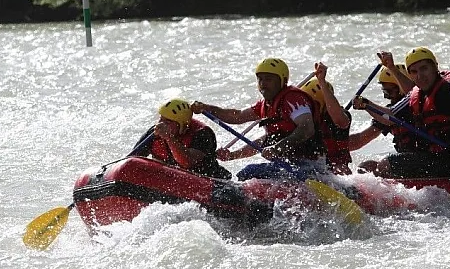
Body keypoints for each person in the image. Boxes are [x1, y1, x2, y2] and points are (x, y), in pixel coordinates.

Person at [354, 47, 450, 178]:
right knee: (367, 167)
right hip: (431, 158)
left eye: (424, 68)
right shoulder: (416, 94)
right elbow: (390, 116)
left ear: (435, 67)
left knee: (386, 164)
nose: (420, 75)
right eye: (414, 72)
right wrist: (366, 104)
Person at [190, 58, 325, 181]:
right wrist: (207, 108)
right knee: (248, 174)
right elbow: (237, 116)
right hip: (287, 167)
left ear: (282, 81)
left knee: (248, 173)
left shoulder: (293, 99)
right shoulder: (265, 105)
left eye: (268, 79)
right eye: (260, 79)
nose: (263, 84)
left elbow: (307, 129)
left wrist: (277, 148)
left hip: (309, 167)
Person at [132, 98, 232, 179]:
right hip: (168, 182)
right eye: (161, 118)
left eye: (168, 121)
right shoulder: (154, 132)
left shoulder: (202, 133)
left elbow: (187, 162)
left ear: (182, 125)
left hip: (208, 179)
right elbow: (132, 159)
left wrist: (169, 138)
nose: (161, 123)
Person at [349, 63, 417, 171]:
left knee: (384, 165)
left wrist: (366, 104)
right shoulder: (387, 112)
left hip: (423, 158)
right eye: (384, 91)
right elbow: (360, 139)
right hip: (406, 160)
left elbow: (391, 116)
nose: (386, 96)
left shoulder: (413, 105)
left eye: (389, 91)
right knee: (366, 167)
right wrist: (335, 144)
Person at [301, 62, 352, 175]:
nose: (306, 109)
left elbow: (340, 121)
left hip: (334, 171)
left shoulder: (340, 117)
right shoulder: (301, 119)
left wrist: (322, 82)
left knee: (342, 169)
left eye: (311, 105)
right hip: (308, 168)